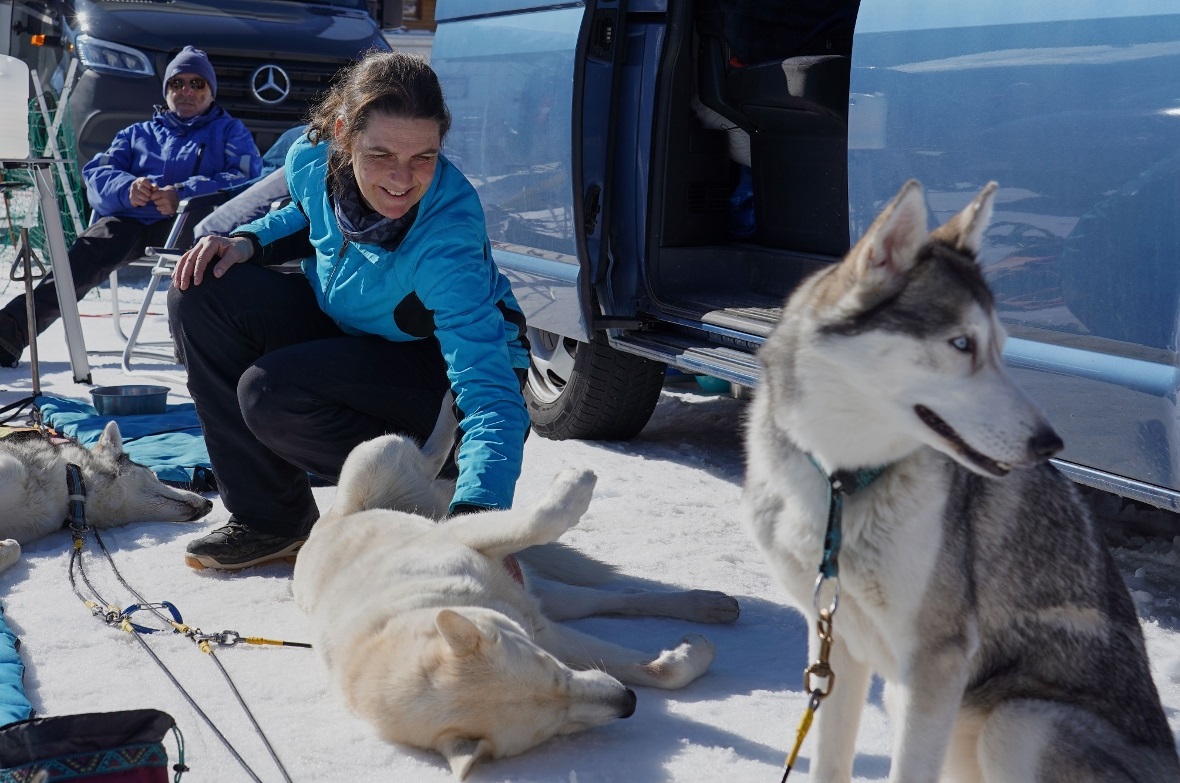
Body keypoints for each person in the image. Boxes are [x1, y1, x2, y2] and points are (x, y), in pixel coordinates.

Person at [168, 51, 531, 571]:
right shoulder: (312, 160)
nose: (402, 180)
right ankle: (271, 520)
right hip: (359, 332)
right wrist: (245, 243)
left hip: (437, 380)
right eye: (381, 154)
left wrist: (479, 522)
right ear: (342, 134)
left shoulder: (446, 240)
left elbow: (491, 391)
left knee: (270, 393)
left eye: (423, 158)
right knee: (201, 290)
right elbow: (307, 214)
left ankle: (419, 484)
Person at [0, 45, 262, 368]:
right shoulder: (138, 133)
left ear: (211, 91)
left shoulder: (230, 131)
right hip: (132, 220)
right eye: (177, 83)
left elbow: (246, 179)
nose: (186, 91)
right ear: (166, 90)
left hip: (196, 224)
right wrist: (128, 189)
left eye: (197, 84)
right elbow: (96, 173)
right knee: (84, 254)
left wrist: (183, 194)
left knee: (203, 257)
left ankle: (194, 342)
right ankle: (8, 332)